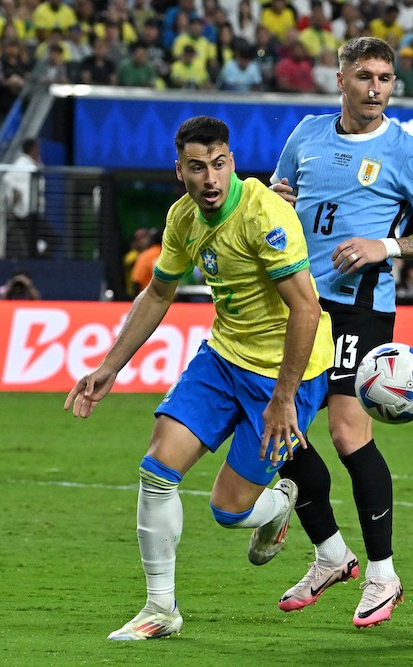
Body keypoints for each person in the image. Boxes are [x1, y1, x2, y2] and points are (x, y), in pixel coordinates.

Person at [65, 115, 332, 640]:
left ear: (231, 161)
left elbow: (306, 310)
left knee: (229, 513)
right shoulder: (182, 218)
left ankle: (279, 504)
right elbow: (158, 293)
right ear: (179, 170)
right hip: (224, 356)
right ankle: (160, 610)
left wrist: (282, 400)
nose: (210, 179)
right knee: (156, 469)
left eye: (219, 164)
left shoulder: (265, 215)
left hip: (285, 373)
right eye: (197, 168)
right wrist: (109, 366)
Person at [270, 37, 413, 628]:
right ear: (340, 80)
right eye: (364, 76)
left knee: (348, 432)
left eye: (384, 78)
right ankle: (329, 552)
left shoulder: (409, 152)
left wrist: (387, 245)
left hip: (359, 308)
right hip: (294, 300)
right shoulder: (306, 134)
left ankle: (382, 573)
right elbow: (280, 203)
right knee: (276, 424)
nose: (375, 88)